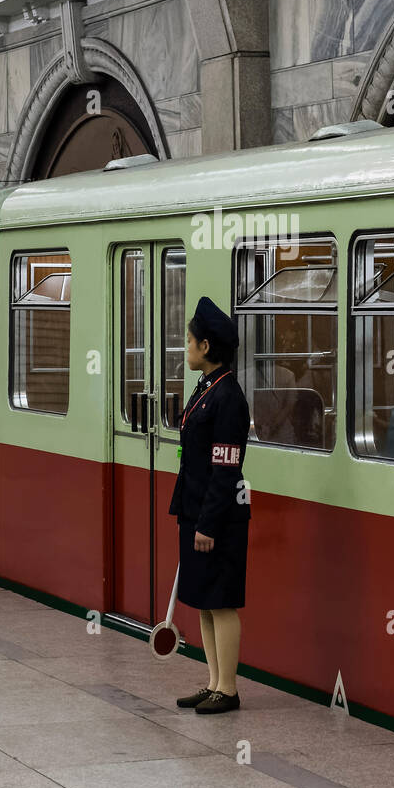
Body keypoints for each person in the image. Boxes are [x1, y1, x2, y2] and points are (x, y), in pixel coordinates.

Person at [169, 296, 251, 714]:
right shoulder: (207, 390)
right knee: (203, 599)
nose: (185, 348)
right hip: (197, 510)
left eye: (189, 341)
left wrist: (208, 525)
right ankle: (214, 681)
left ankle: (230, 689)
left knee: (221, 600)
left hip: (218, 518)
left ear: (205, 347)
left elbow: (226, 469)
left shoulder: (228, 399)